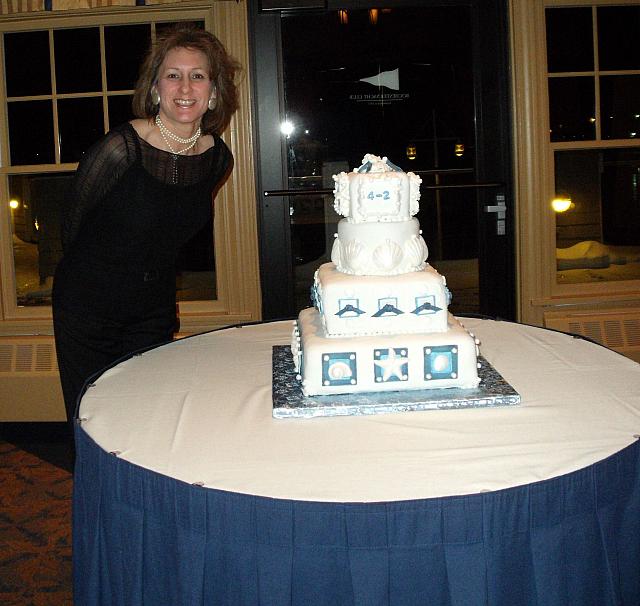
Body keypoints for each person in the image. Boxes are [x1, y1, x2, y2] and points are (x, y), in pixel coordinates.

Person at [52, 26, 240, 440]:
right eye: (173, 75)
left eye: (198, 75)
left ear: (213, 91)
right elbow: (73, 224)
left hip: (152, 309)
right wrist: (92, 285)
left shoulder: (216, 158)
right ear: (155, 88)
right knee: (93, 420)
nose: (185, 86)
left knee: (146, 415)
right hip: (89, 305)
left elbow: (169, 232)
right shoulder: (121, 148)